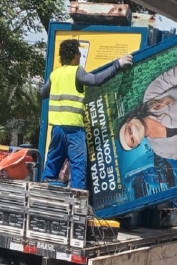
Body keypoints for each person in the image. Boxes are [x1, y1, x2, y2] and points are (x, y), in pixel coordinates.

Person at [40, 39, 133, 189]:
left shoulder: (54, 75)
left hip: (57, 130)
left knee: (52, 165)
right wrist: (118, 65)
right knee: (78, 168)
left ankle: (43, 198)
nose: (80, 57)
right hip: (74, 131)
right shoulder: (76, 71)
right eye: (79, 53)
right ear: (73, 55)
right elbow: (96, 80)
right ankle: (76, 206)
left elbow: (42, 93)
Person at [117, 65, 177, 160]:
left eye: (130, 130)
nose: (134, 133)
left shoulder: (150, 96)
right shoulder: (160, 150)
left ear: (129, 120)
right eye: (133, 140)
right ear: (137, 145)